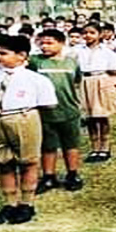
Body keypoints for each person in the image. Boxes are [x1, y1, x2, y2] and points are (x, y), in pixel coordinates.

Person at [0, 35, 58, 226]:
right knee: (4, 163)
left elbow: (48, 105)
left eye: (3, 53)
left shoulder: (36, 79)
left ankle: (27, 203)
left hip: (23, 118)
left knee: (28, 162)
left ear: (21, 55)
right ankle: (10, 203)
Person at [28, 29, 86, 195]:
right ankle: (48, 176)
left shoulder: (71, 62)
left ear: (61, 43)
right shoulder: (35, 61)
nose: (44, 46)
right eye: (42, 43)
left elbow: (76, 81)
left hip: (69, 110)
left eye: (49, 43)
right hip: (44, 112)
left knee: (71, 144)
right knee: (48, 145)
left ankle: (72, 174)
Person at [75, 25, 116, 162]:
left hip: (101, 80)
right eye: (85, 33)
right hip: (85, 81)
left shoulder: (108, 52)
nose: (88, 35)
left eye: (92, 33)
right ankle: (94, 147)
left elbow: (114, 71)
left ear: (100, 34)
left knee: (102, 115)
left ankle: (105, 147)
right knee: (90, 117)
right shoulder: (77, 51)